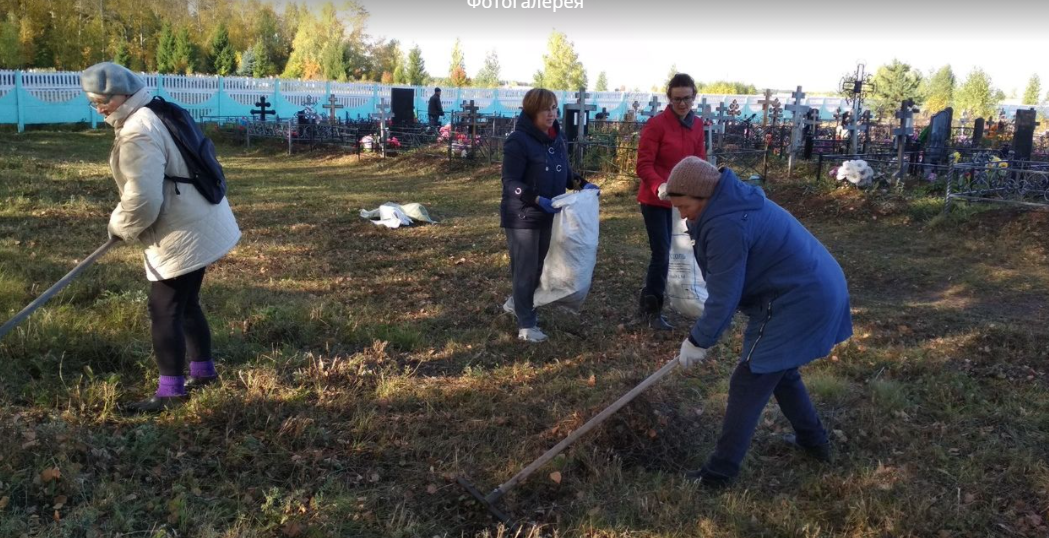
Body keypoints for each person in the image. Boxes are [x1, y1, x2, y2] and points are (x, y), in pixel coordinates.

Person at [664, 156, 852, 488]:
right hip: (810, 288)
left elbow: (724, 294)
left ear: (704, 196)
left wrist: (698, 340)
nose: (682, 215)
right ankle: (814, 442)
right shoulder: (728, 203)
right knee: (780, 372)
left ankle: (718, 474)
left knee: (748, 381)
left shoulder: (727, 223)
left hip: (800, 299)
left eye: (685, 206)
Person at [80, 62, 241, 413]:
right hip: (203, 216)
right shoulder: (157, 108)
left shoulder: (138, 130)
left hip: (182, 229)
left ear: (123, 94)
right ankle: (204, 373)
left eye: (103, 101)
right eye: (93, 102)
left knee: (164, 309)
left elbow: (143, 200)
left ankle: (171, 393)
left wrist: (120, 226)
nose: (99, 108)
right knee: (186, 302)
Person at [500, 88, 600, 342]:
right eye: (546, 109)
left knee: (542, 266)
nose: (552, 114)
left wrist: (583, 184)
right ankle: (526, 325)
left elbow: (565, 174)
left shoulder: (558, 139)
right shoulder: (518, 141)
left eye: (554, 108)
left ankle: (516, 303)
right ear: (532, 111)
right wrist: (536, 199)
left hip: (550, 214)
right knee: (525, 269)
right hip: (522, 215)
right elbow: (510, 182)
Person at [634, 73, 706, 330]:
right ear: (669, 98)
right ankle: (651, 309)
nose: (682, 104)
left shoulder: (697, 125)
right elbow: (643, 164)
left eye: (687, 98)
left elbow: (699, 160)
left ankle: (688, 298)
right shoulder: (656, 125)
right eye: (677, 99)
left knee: (688, 250)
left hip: (684, 201)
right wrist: (659, 185)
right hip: (656, 200)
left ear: (694, 96)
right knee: (662, 253)